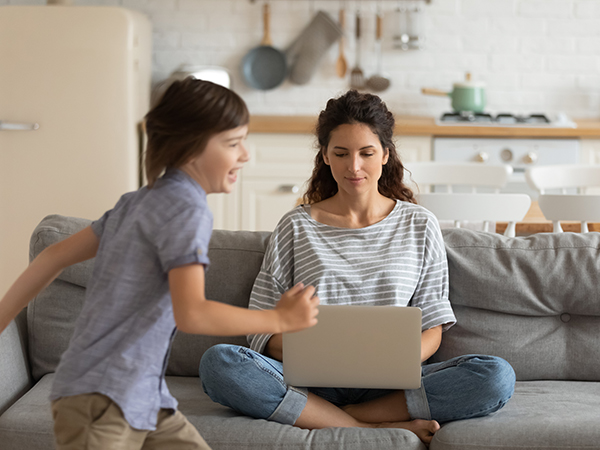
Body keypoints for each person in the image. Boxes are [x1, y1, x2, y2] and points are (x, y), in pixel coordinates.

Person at [0, 78, 319, 450]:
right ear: (190, 149)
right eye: (233, 143)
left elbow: (53, 256)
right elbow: (192, 314)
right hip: (102, 401)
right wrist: (278, 320)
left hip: (139, 399)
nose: (246, 155)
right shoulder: (187, 210)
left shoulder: (140, 201)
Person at [199, 90, 516, 445]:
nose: (354, 166)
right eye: (341, 153)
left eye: (366, 153)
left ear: (385, 154)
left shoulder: (419, 224)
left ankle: (329, 418)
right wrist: (323, 356)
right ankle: (366, 430)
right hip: (311, 381)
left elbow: (433, 326)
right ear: (325, 157)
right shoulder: (296, 226)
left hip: (392, 387)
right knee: (220, 364)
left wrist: (389, 359)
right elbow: (261, 327)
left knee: (495, 377)